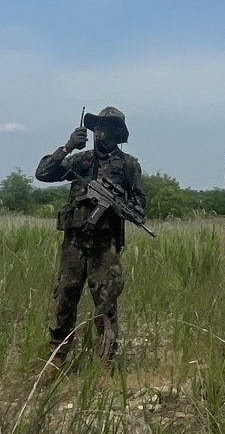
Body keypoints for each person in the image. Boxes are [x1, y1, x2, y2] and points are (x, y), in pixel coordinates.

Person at [35, 106, 146, 365]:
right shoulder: (80, 160)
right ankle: (57, 357)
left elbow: (140, 205)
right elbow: (43, 173)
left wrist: (119, 205)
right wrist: (67, 147)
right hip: (75, 241)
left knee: (106, 303)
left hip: (105, 244)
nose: (101, 132)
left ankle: (105, 361)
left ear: (117, 132)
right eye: (97, 127)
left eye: (107, 127)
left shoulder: (129, 165)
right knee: (65, 296)